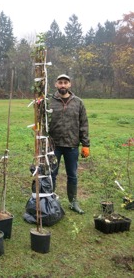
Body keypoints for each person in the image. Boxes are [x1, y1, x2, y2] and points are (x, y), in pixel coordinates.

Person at [49, 74, 90, 214]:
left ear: (69, 85)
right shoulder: (49, 102)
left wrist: (85, 144)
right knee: (51, 174)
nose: (63, 85)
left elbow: (84, 124)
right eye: (60, 82)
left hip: (72, 145)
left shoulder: (78, 102)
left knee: (72, 175)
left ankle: (73, 202)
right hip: (53, 145)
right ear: (56, 84)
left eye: (65, 83)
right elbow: (42, 122)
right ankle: (50, 201)